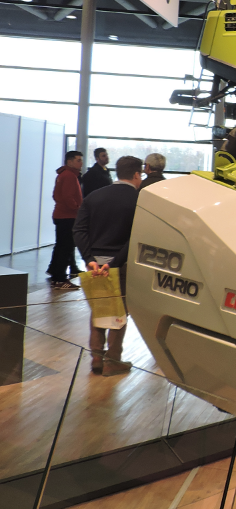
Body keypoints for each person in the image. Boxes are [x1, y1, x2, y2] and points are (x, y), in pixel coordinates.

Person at [74, 155, 143, 376]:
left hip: (94, 265)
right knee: (118, 314)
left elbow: (79, 230)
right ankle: (113, 361)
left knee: (99, 310)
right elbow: (135, 238)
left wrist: (89, 259)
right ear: (136, 174)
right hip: (121, 265)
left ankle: (96, 358)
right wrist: (115, 262)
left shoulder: (94, 196)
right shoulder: (139, 201)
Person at [46, 150, 84, 288]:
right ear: (70, 161)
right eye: (78, 160)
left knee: (61, 246)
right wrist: (78, 208)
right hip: (67, 216)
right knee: (65, 247)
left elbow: (56, 195)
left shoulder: (64, 174)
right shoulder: (69, 176)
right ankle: (60, 279)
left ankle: (55, 273)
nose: (81, 163)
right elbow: (68, 197)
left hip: (62, 215)